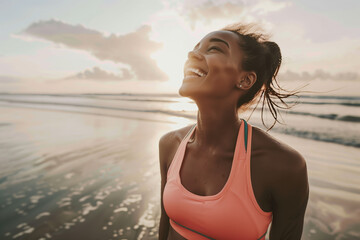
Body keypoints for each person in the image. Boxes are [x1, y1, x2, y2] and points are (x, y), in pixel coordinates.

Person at [158, 23, 309, 240]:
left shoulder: (283, 166)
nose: (192, 53)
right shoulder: (170, 144)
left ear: (245, 79)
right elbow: (165, 223)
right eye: (196, 47)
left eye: (214, 49)